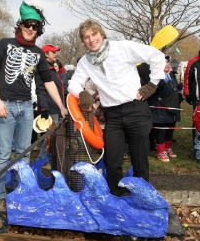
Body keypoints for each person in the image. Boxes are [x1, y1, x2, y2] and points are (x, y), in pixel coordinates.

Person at [0, 1, 68, 209]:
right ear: (21, 25)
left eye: (36, 26)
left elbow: (47, 81)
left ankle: (22, 191)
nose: (31, 29)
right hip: (5, 105)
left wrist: (61, 105)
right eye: (28, 24)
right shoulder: (5, 44)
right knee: (3, 153)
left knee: (24, 153)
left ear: (39, 30)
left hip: (26, 107)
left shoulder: (39, 53)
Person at [68, 19, 164, 196]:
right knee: (112, 160)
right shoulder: (85, 61)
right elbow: (73, 82)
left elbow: (156, 56)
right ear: (83, 41)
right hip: (112, 114)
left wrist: (152, 84)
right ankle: (117, 195)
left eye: (94, 34)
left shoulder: (122, 47)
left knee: (140, 160)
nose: (91, 39)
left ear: (101, 34)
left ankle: (142, 197)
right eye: (86, 37)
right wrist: (81, 92)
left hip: (136, 109)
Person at [35, 44, 65, 161]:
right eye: (53, 52)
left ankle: (50, 161)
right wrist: (44, 109)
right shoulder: (43, 69)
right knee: (50, 138)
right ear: (46, 54)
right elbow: (40, 89)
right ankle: (40, 162)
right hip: (50, 108)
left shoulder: (53, 68)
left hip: (57, 107)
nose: (56, 54)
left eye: (56, 52)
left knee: (54, 137)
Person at [147, 58, 180, 162]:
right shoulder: (155, 76)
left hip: (171, 107)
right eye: (164, 63)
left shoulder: (171, 75)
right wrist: (161, 81)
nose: (167, 64)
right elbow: (153, 90)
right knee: (161, 130)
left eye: (168, 63)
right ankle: (160, 151)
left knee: (170, 129)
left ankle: (167, 148)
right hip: (160, 107)